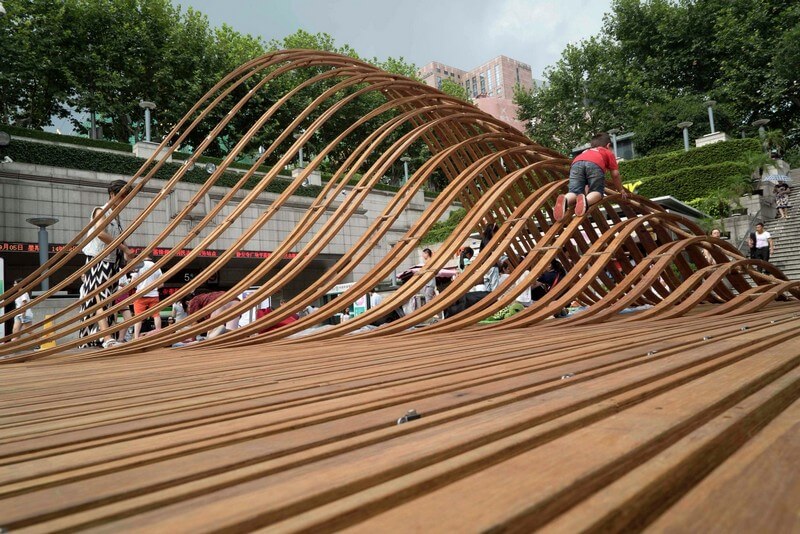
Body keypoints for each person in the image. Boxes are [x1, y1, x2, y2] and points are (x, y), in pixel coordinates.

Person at [78, 179, 133, 348]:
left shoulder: (116, 216)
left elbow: (117, 239)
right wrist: (124, 248)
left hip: (111, 263)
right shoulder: (101, 211)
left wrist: (126, 252)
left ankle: (102, 337)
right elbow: (101, 233)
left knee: (108, 300)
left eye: (127, 197)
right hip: (98, 260)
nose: (125, 200)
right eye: (123, 196)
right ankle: (106, 337)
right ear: (112, 194)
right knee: (99, 298)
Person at [554, 132, 627, 221]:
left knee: (575, 192)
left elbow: (586, 182)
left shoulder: (586, 151)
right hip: (595, 164)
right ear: (608, 146)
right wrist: (621, 190)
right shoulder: (607, 152)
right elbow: (615, 175)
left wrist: (584, 194)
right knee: (597, 192)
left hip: (576, 163)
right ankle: (586, 201)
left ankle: (565, 199)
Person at [130, 256, 163, 339]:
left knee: (138, 318)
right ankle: (159, 334)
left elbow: (133, 282)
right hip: (154, 295)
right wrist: (153, 288)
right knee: (156, 315)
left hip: (140, 295)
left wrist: (140, 286)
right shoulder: (156, 266)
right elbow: (161, 284)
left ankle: (136, 337)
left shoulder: (139, 265)